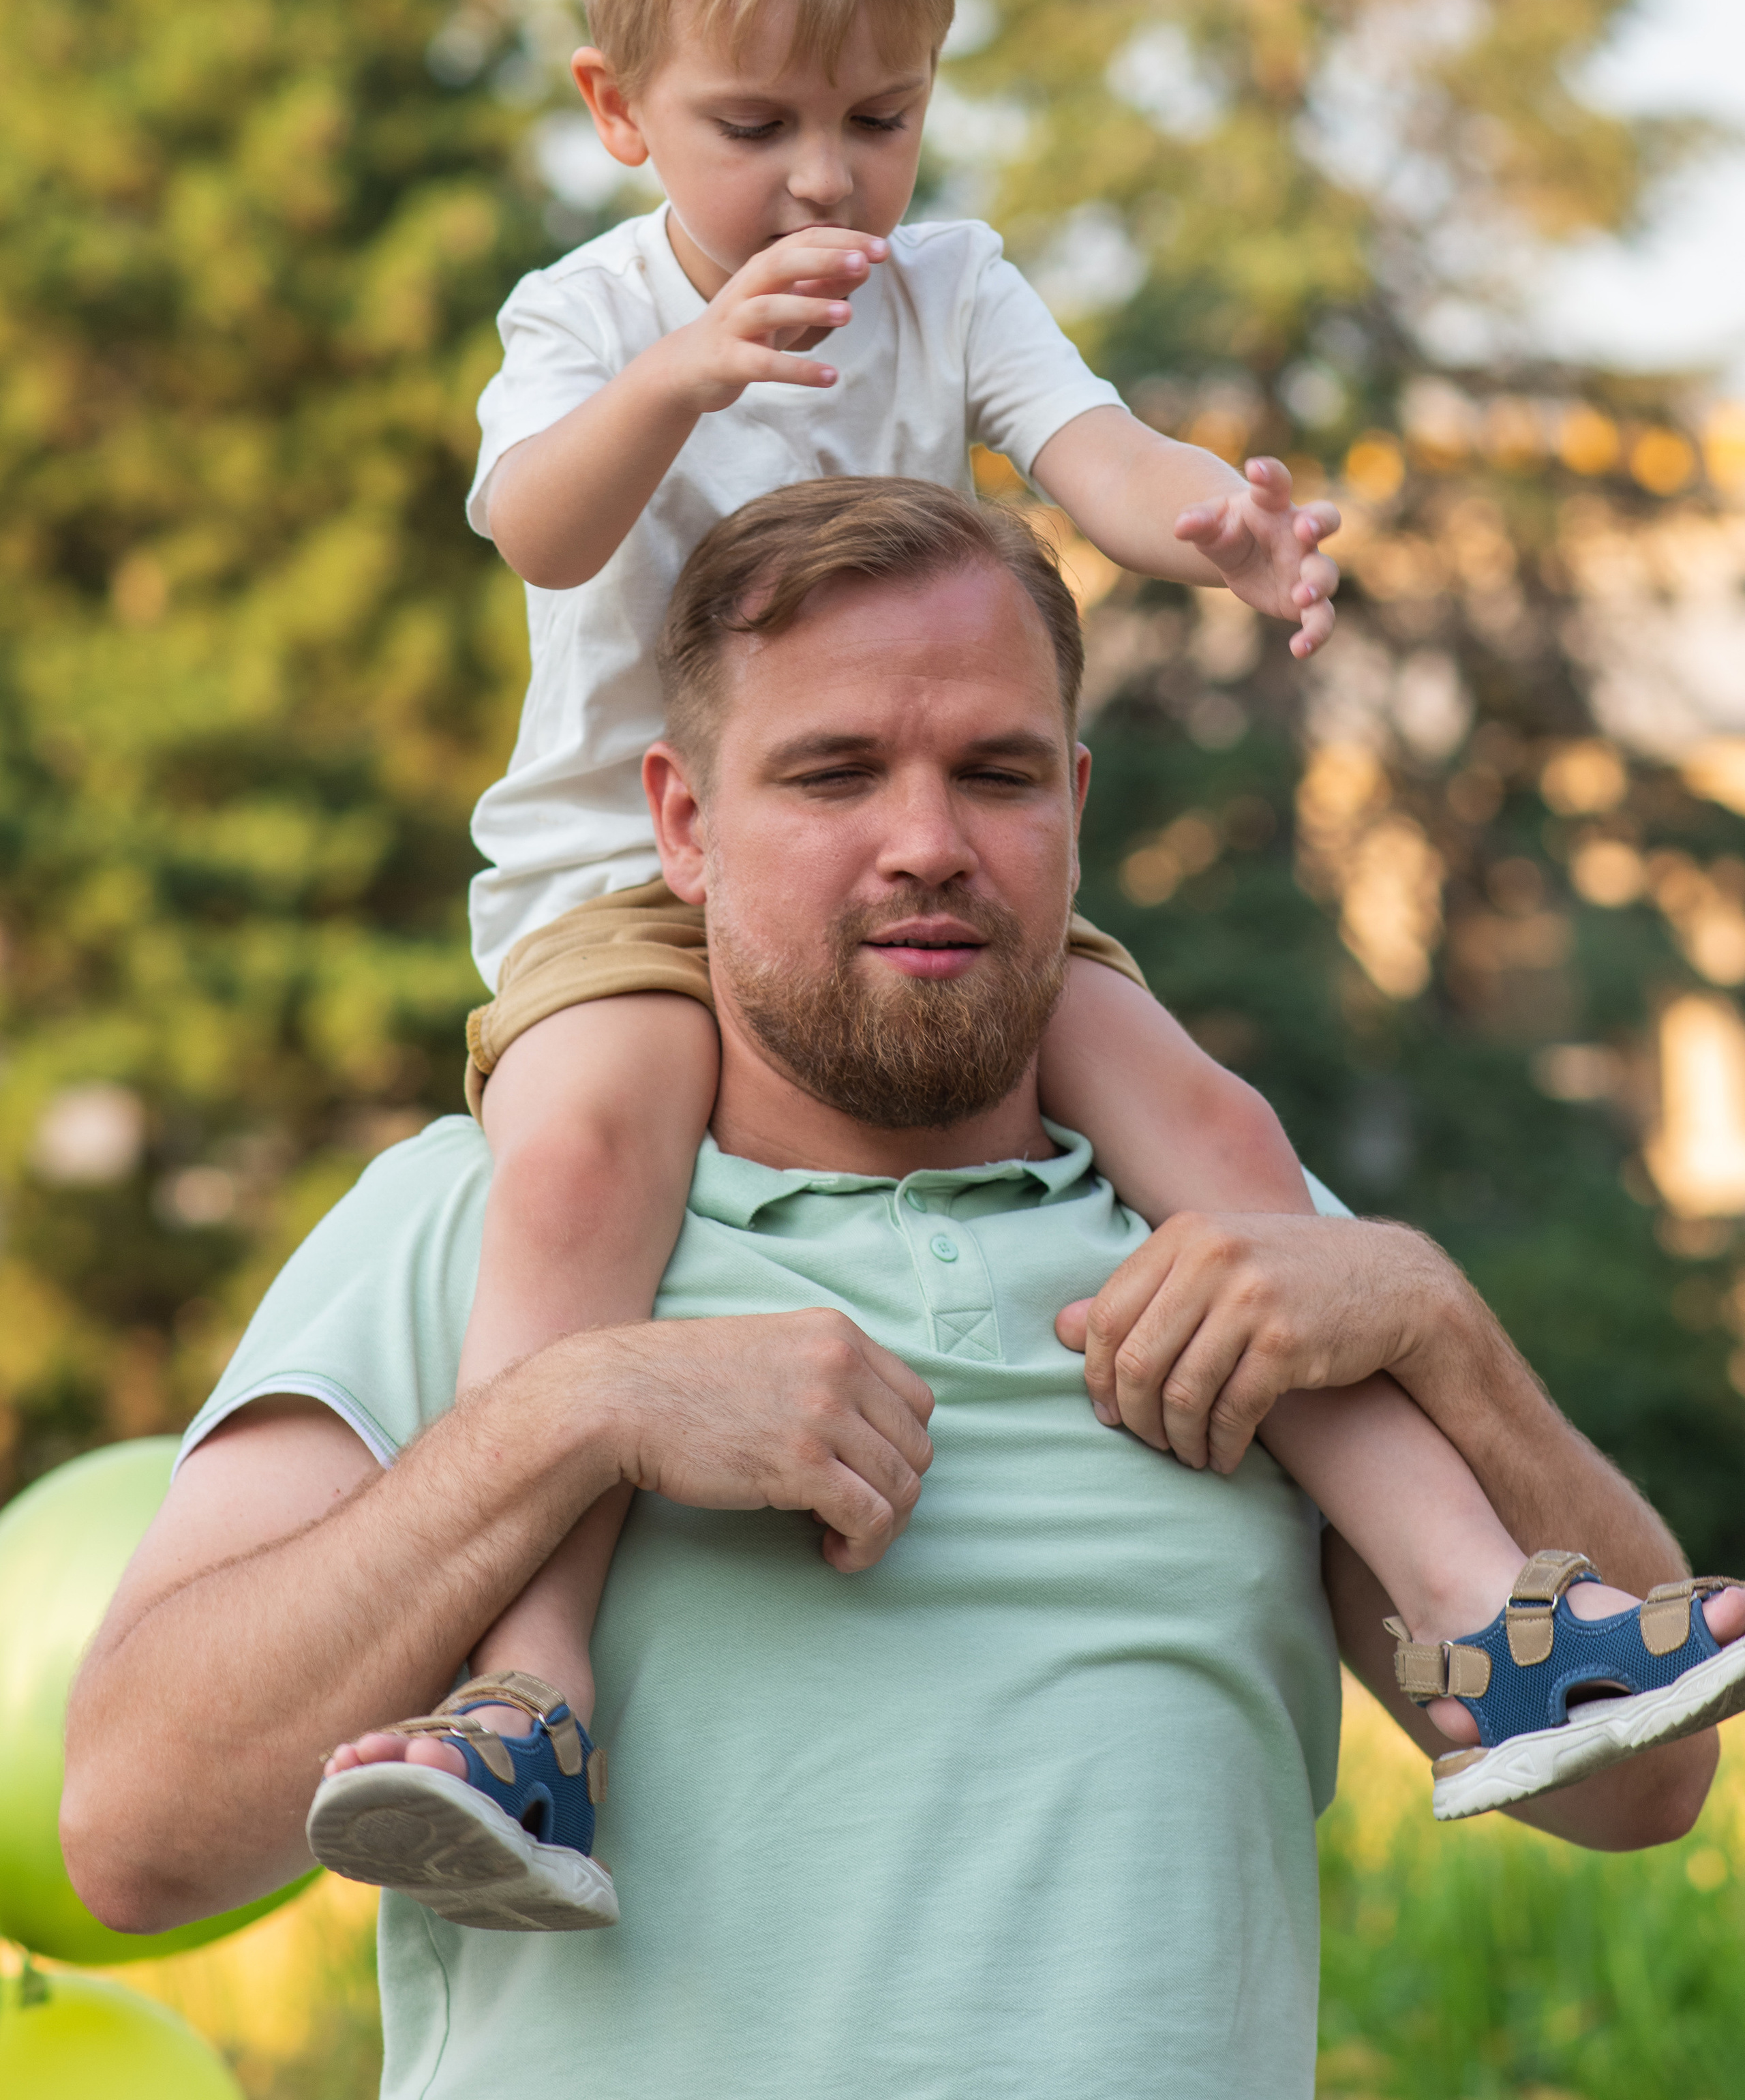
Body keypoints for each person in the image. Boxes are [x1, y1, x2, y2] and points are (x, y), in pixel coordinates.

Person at [63, 485, 1743, 2099]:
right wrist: (584, 1408)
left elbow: (1644, 1784)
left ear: (1074, 805)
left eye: (995, 773)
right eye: (834, 772)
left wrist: (1435, 1317)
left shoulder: (1250, 1260)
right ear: (682, 826)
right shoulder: (484, 1221)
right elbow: (136, 1837)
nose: (926, 843)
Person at [378, 0, 1352, 1870]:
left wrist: (1224, 530)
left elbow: (1088, 446)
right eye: (759, 126)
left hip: (921, 881)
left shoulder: (951, 283)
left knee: (1224, 1133)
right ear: (622, 108)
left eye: (881, 116)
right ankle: (519, 1695)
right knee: (574, 1167)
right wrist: (679, 380)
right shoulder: (591, 317)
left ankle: (1490, 1612)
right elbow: (542, 532)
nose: (830, 181)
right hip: (631, 897)